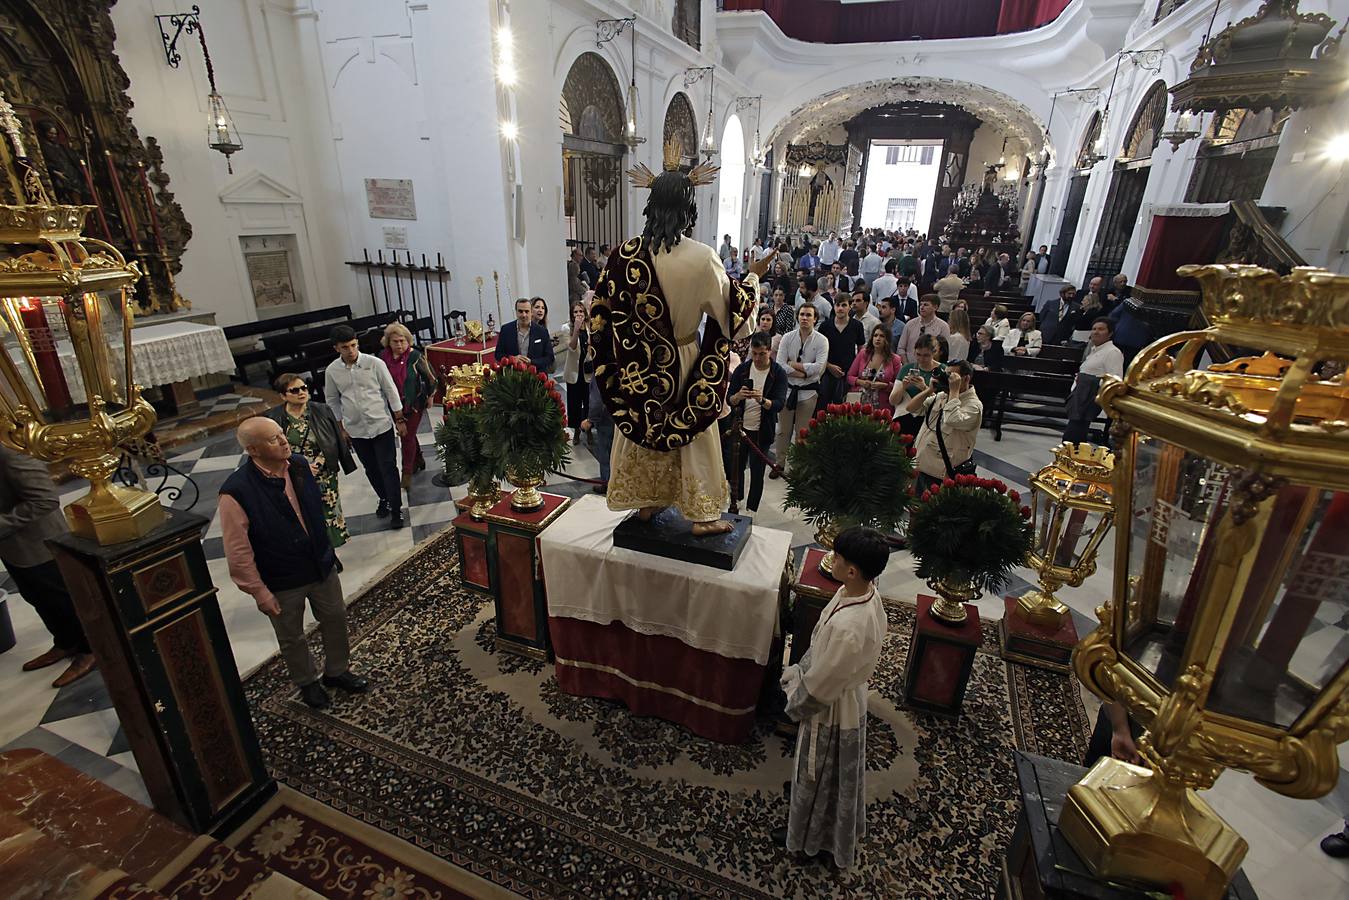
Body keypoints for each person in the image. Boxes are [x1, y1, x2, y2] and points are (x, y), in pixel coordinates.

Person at [590, 159, 767, 537]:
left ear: (650, 206)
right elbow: (734, 313)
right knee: (693, 434)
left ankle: (647, 500)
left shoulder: (622, 256)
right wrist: (753, 277)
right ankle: (702, 516)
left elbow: (600, 316)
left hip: (636, 366)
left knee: (642, 428)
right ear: (689, 210)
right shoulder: (702, 257)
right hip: (683, 360)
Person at [220, 418, 368, 710]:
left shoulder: (298, 466)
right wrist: (259, 592)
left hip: (320, 565)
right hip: (282, 577)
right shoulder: (236, 492)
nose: (283, 441)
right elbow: (238, 551)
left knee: (336, 618)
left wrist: (328, 553)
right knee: (292, 636)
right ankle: (307, 682)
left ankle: (337, 671)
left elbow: (313, 514)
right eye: (273, 439)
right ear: (253, 450)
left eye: (281, 434)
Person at [775, 526, 890, 869]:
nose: (832, 560)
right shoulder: (862, 592)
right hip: (842, 695)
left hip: (832, 708)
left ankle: (808, 838)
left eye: (837, 557)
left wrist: (796, 700)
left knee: (820, 773)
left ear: (852, 570)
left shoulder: (850, 628)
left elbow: (825, 682)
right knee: (828, 774)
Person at [0, 446, 96, 688]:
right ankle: (65, 642)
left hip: (39, 545)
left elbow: (45, 499)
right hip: (13, 548)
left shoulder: (10, 451)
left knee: (65, 600)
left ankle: (90, 649)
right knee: (36, 597)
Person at [325, 325, 406, 529]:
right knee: (371, 468)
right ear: (337, 348)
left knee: (388, 468)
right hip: (356, 429)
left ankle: (396, 509)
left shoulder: (374, 363)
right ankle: (384, 498)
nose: (351, 351)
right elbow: (333, 400)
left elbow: (390, 390)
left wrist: (399, 418)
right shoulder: (332, 371)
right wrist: (341, 428)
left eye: (353, 345)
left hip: (381, 424)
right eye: (345, 347)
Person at [264, 374, 355, 548]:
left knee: (330, 513)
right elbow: (275, 447)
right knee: (307, 513)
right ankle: (318, 549)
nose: (301, 393)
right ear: (283, 396)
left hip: (323, 471)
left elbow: (332, 441)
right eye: (295, 390)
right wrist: (301, 466)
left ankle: (331, 552)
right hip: (294, 472)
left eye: (304, 388)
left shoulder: (321, 410)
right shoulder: (275, 417)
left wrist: (317, 464)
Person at [727, 332, 788, 512]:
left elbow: (779, 404)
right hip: (740, 427)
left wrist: (763, 400)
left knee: (757, 470)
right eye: (754, 353)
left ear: (770, 351)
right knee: (736, 468)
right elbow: (730, 398)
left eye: (762, 354)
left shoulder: (778, 373)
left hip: (763, 430)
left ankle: (752, 509)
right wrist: (738, 396)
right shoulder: (743, 369)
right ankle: (736, 501)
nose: (758, 358)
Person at [907, 360, 982, 493]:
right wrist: (929, 390)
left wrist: (954, 391)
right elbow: (912, 408)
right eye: (946, 374)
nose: (947, 379)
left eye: (951, 376)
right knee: (915, 510)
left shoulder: (974, 406)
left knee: (931, 512)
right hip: (920, 465)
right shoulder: (942, 396)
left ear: (965, 379)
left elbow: (951, 419)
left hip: (943, 475)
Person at [772, 303, 829, 478]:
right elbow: (780, 365)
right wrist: (803, 371)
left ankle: (798, 467)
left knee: (802, 432)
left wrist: (794, 365)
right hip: (788, 390)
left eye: (808, 315)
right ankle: (779, 464)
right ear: (798, 317)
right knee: (783, 431)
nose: (804, 318)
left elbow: (818, 368)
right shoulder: (788, 338)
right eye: (802, 314)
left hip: (808, 392)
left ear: (815, 319)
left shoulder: (822, 340)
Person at [379, 322, 437, 490]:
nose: (399, 345)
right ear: (388, 342)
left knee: (406, 436)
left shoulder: (415, 356)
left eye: (402, 341)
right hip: (394, 403)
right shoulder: (383, 357)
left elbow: (431, 378)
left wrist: (431, 396)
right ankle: (418, 460)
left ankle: (407, 472)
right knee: (409, 435)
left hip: (414, 402)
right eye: (395, 341)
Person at [1063, 318, 1125, 445]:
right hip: (1080, 397)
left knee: (1073, 436)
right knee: (1072, 435)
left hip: (1089, 399)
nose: (1096, 332)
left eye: (1101, 329)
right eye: (1094, 329)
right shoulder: (1094, 349)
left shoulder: (1113, 352)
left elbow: (1114, 380)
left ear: (1110, 333)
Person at [889, 334, 944, 436]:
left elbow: (943, 402)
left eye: (926, 355)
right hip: (904, 418)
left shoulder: (941, 370)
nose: (921, 359)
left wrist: (924, 387)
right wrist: (903, 386)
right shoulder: (906, 369)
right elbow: (893, 401)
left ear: (934, 352)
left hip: (929, 421)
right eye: (918, 354)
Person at [818, 293, 866, 406]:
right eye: (837, 305)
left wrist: (857, 371)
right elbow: (818, 352)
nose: (840, 308)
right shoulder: (825, 326)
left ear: (850, 307)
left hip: (849, 372)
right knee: (823, 406)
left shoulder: (857, 326)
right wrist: (829, 366)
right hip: (827, 372)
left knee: (845, 408)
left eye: (844, 305)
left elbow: (861, 351)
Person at [847, 324, 903, 415]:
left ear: (887, 339)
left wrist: (885, 385)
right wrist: (861, 382)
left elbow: (899, 385)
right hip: (860, 403)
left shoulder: (895, 359)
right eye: (875, 335)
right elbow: (849, 377)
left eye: (882, 336)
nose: (878, 338)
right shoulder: (863, 354)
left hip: (883, 406)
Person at [495, 297, 556, 372]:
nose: (523, 315)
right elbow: (498, 354)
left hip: (536, 377)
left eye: (526, 311)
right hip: (512, 376)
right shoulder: (506, 330)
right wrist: (512, 359)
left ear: (531, 312)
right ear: (516, 312)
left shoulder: (542, 331)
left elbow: (549, 357)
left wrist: (531, 362)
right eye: (520, 311)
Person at [562, 301, 593, 446]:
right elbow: (572, 347)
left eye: (581, 311)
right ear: (571, 314)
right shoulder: (566, 328)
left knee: (588, 402)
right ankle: (576, 431)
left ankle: (588, 430)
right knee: (574, 403)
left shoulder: (590, 327)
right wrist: (576, 330)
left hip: (587, 370)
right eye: (575, 312)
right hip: (574, 371)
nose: (579, 314)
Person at [580, 375, 613, 495]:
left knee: (605, 455)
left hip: (606, 420)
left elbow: (597, 400)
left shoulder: (600, 372)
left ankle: (606, 484)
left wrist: (590, 420)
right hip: (621, 420)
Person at [898, 296, 951, 362]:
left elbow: (944, 352)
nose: (922, 307)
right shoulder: (910, 324)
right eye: (921, 305)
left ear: (935, 307)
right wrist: (906, 365)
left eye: (926, 305)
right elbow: (901, 348)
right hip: (910, 366)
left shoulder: (943, 326)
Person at [1107, 295, 1151, 369]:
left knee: (1112, 361)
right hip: (1137, 341)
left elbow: (1113, 315)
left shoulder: (1129, 302)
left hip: (1120, 336)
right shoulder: (1152, 307)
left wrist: (1119, 325)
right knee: (1128, 365)